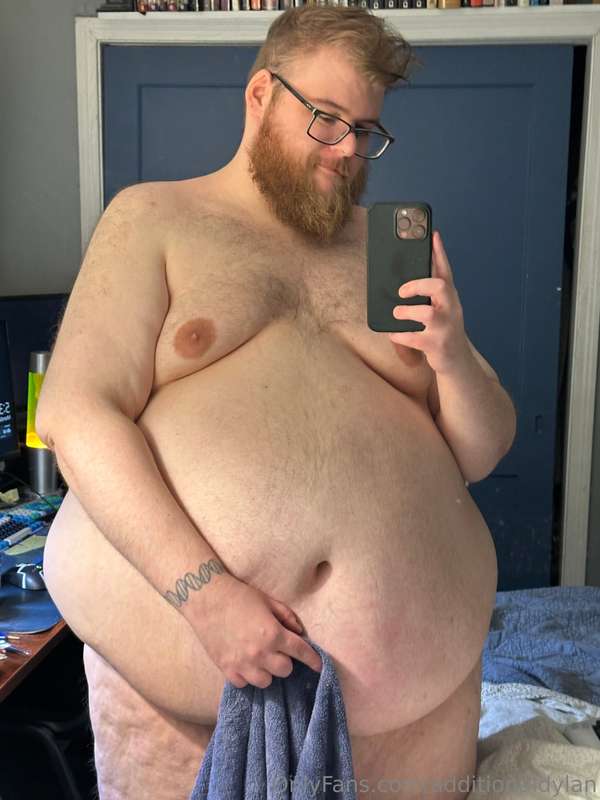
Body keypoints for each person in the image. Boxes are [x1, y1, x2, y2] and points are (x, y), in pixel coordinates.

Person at [38, 6, 516, 799]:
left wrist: (452, 353)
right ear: (261, 95)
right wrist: (204, 597)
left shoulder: (388, 247)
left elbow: (482, 448)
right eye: (326, 119)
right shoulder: (154, 218)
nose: (348, 150)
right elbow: (75, 414)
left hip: (419, 717)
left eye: (366, 131)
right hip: (191, 692)